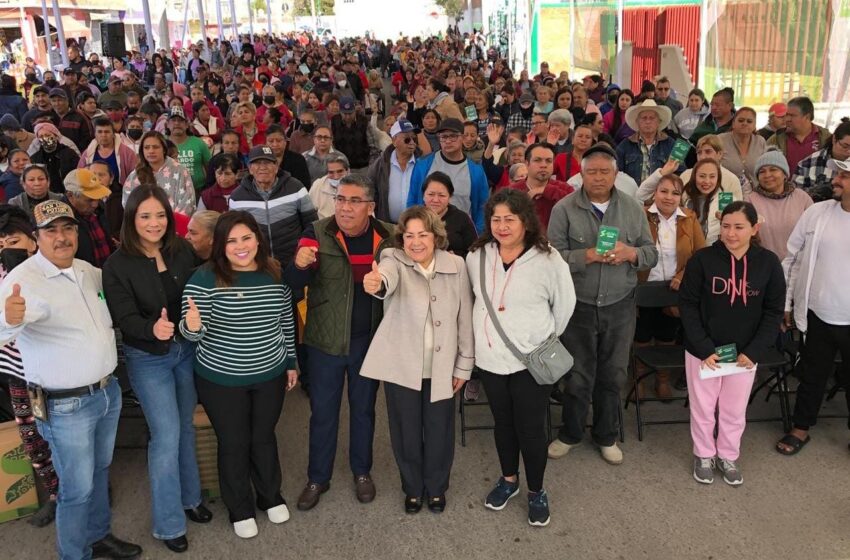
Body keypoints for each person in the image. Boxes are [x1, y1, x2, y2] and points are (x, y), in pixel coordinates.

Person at [0, 199, 142, 560]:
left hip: (107, 393)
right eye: (51, 231)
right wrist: (7, 319)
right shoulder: (22, 280)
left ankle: (98, 536)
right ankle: (73, 554)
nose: (61, 237)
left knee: (98, 474)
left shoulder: (87, 270)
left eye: (67, 229)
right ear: (36, 238)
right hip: (65, 405)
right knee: (76, 490)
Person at [103, 186, 210, 553]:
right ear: (132, 219)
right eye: (145, 216)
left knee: (185, 428)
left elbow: (197, 289)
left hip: (184, 350)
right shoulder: (116, 265)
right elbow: (125, 318)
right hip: (148, 358)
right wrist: (152, 329)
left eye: (160, 215)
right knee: (165, 437)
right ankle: (168, 524)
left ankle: (191, 498)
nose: (154, 223)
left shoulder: (179, 249)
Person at [180, 211, 298, 539]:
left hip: (269, 373)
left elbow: (285, 321)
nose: (240, 246)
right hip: (221, 378)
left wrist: (291, 361)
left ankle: (270, 495)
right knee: (233, 442)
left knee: (263, 437)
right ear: (220, 245)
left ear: (257, 239)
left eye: (246, 237)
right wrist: (193, 327)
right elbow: (190, 333)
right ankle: (240, 507)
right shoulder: (204, 278)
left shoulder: (274, 272)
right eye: (231, 240)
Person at [467, 189, 575, 527]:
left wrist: (539, 340)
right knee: (503, 424)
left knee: (530, 428)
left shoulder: (549, 259)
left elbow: (565, 306)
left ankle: (536, 491)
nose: (502, 226)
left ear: (526, 221)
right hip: (490, 359)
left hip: (531, 360)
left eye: (509, 219)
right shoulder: (477, 256)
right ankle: (509, 480)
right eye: (496, 219)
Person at [285, 175, 394, 512]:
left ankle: (362, 471)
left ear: (370, 206)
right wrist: (298, 265)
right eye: (341, 200)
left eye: (354, 201)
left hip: (368, 341)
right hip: (324, 342)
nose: (345, 208)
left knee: (363, 410)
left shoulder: (388, 236)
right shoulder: (316, 233)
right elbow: (291, 282)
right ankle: (318, 477)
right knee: (323, 413)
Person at [547, 145, 657, 465]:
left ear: (616, 175)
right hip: (578, 305)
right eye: (591, 171)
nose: (597, 177)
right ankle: (570, 433)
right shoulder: (564, 209)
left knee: (613, 373)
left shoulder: (633, 209)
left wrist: (631, 254)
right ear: (581, 174)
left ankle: (606, 434)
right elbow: (552, 258)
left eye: (604, 172)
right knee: (578, 374)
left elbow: (651, 252)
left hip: (620, 305)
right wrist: (588, 256)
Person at [360, 205, 474, 514]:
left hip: (443, 365)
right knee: (405, 431)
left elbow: (465, 318)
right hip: (402, 366)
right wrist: (376, 283)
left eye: (422, 234)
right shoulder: (393, 259)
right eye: (409, 235)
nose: (415, 242)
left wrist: (464, 365)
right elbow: (385, 277)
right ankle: (412, 487)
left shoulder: (457, 265)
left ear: (436, 236)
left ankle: (436, 488)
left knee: (439, 430)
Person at [679, 201, 785, 486]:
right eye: (726, 226)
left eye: (739, 227)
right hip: (705, 352)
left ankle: (728, 454)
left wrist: (754, 351)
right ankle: (703, 454)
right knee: (703, 406)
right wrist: (703, 348)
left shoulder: (769, 263)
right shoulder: (702, 260)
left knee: (734, 408)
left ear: (754, 228)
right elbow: (687, 305)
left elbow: (774, 311)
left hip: (744, 354)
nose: (731, 233)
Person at [776, 155, 850, 456]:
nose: (836, 180)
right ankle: (801, 428)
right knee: (812, 374)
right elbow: (792, 258)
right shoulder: (818, 212)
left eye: (844, 177)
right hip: (818, 314)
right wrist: (787, 302)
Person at [0, 204, 60, 528]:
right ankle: (55, 493)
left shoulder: (51, 271)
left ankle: (83, 487)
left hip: (54, 372)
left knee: (66, 434)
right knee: (32, 437)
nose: (8, 249)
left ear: (33, 242)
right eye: (2, 244)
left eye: (14, 242)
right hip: (18, 376)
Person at [634, 174, 706, 399]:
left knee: (667, 336)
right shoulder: (640, 216)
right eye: (664, 191)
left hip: (673, 289)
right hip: (645, 287)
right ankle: (638, 381)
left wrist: (684, 274)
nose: (669, 197)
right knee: (642, 336)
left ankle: (661, 380)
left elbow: (700, 254)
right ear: (655, 193)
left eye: (675, 193)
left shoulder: (689, 218)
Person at [228, 146, 317, 267]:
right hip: (257, 263)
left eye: (268, 163)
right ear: (250, 168)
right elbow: (234, 234)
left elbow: (312, 224)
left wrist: (304, 250)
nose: (263, 167)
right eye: (257, 163)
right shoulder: (237, 197)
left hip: (293, 261)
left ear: (276, 167)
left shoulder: (296, 188)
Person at [408, 118, 490, 232]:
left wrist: (477, 236)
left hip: (462, 235)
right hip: (428, 232)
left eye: (453, 136)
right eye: (443, 137)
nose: (448, 141)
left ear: (462, 137)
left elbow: (483, 206)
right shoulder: (423, 166)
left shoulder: (476, 171)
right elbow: (412, 201)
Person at [744, 150, 812, 260]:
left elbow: (813, 231)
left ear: (785, 174)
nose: (767, 175)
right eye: (762, 171)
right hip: (763, 265)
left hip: (798, 264)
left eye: (773, 169)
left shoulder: (802, 197)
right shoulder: (750, 200)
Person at [498, 142, 572, 228]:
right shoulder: (511, 192)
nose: (543, 165)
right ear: (527, 163)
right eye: (537, 160)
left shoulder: (565, 189)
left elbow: (575, 209)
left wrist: (547, 190)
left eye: (548, 161)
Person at [123, 131, 196, 216]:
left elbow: (187, 202)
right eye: (146, 147)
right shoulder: (134, 176)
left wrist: (170, 223)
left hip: (175, 225)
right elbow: (129, 205)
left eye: (155, 147)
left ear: (164, 149)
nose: (151, 151)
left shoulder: (180, 171)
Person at [615, 99, 681, 186]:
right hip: (632, 196)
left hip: (661, 197)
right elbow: (617, 175)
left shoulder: (673, 144)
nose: (648, 121)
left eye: (652, 118)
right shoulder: (624, 145)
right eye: (644, 118)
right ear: (637, 122)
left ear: (659, 122)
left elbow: (681, 173)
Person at [61, 169, 114, 268]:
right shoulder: (61, 221)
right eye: (89, 200)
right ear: (70, 195)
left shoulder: (99, 210)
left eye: (98, 198)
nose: (95, 204)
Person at [767, 96, 831, 176]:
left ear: (807, 117)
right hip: (787, 187)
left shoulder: (825, 138)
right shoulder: (776, 139)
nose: (787, 119)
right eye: (787, 115)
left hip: (816, 187)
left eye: (792, 115)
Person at [370, 118, 419, 223]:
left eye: (414, 139)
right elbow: (371, 194)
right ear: (394, 141)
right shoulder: (379, 165)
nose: (412, 142)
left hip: (416, 226)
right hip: (387, 227)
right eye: (407, 139)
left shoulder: (423, 163)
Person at [420, 171, 477, 259]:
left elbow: (475, 253)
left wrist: (457, 256)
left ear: (450, 197)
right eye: (431, 194)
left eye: (441, 195)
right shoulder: (414, 218)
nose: (435, 200)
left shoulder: (462, 219)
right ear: (423, 195)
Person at [794, 118, 850, 203]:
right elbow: (795, 199)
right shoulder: (807, 164)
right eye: (845, 146)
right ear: (834, 139)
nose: (849, 151)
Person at [77, 117, 139, 186]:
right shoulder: (88, 153)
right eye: (100, 132)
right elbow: (79, 174)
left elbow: (135, 178)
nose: (103, 135)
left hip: (119, 193)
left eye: (107, 132)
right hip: (93, 192)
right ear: (95, 134)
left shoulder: (127, 153)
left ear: (113, 134)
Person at [167, 106, 211, 196]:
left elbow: (210, 168)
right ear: (167, 124)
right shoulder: (161, 143)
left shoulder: (199, 143)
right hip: (169, 192)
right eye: (173, 120)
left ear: (187, 124)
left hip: (198, 191)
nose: (177, 123)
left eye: (180, 120)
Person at [718, 107, 767, 186]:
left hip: (755, 192)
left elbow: (765, 168)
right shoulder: (720, 140)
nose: (745, 123)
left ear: (754, 126)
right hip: (725, 192)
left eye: (749, 121)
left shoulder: (760, 141)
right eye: (741, 120)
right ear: (733, 123)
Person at [30, 123, 80, 194]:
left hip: (67, 193)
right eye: (41, 136)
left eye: (47, 135)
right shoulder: (35, 158)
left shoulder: (69, 154)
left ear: (56, 136)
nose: (45, 138)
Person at [310, 154, 350, 220]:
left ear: (347, 171)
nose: (336, 177)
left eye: (340, 171)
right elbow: (309, 214)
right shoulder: (318, 185)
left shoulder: (358, 186)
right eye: (331, 172)